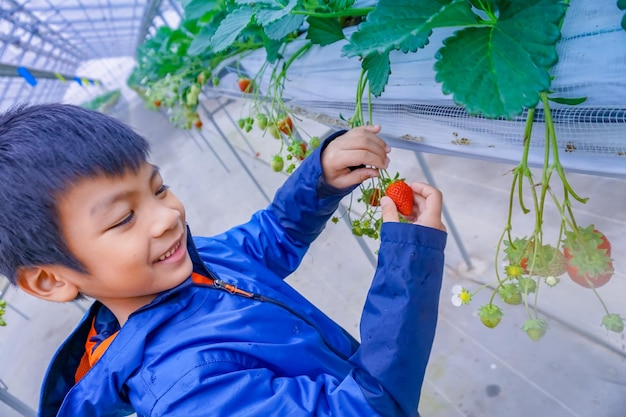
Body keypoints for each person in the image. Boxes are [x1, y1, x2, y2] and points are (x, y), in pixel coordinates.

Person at [0, 103, 447, 417]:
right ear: (48, 280)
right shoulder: (185, 391)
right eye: (123, 219)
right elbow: (364, 411)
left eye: (158, 188)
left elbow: (274, 234)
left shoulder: (197, 261)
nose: (167, 217)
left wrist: (320, 178)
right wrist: (409, 260)